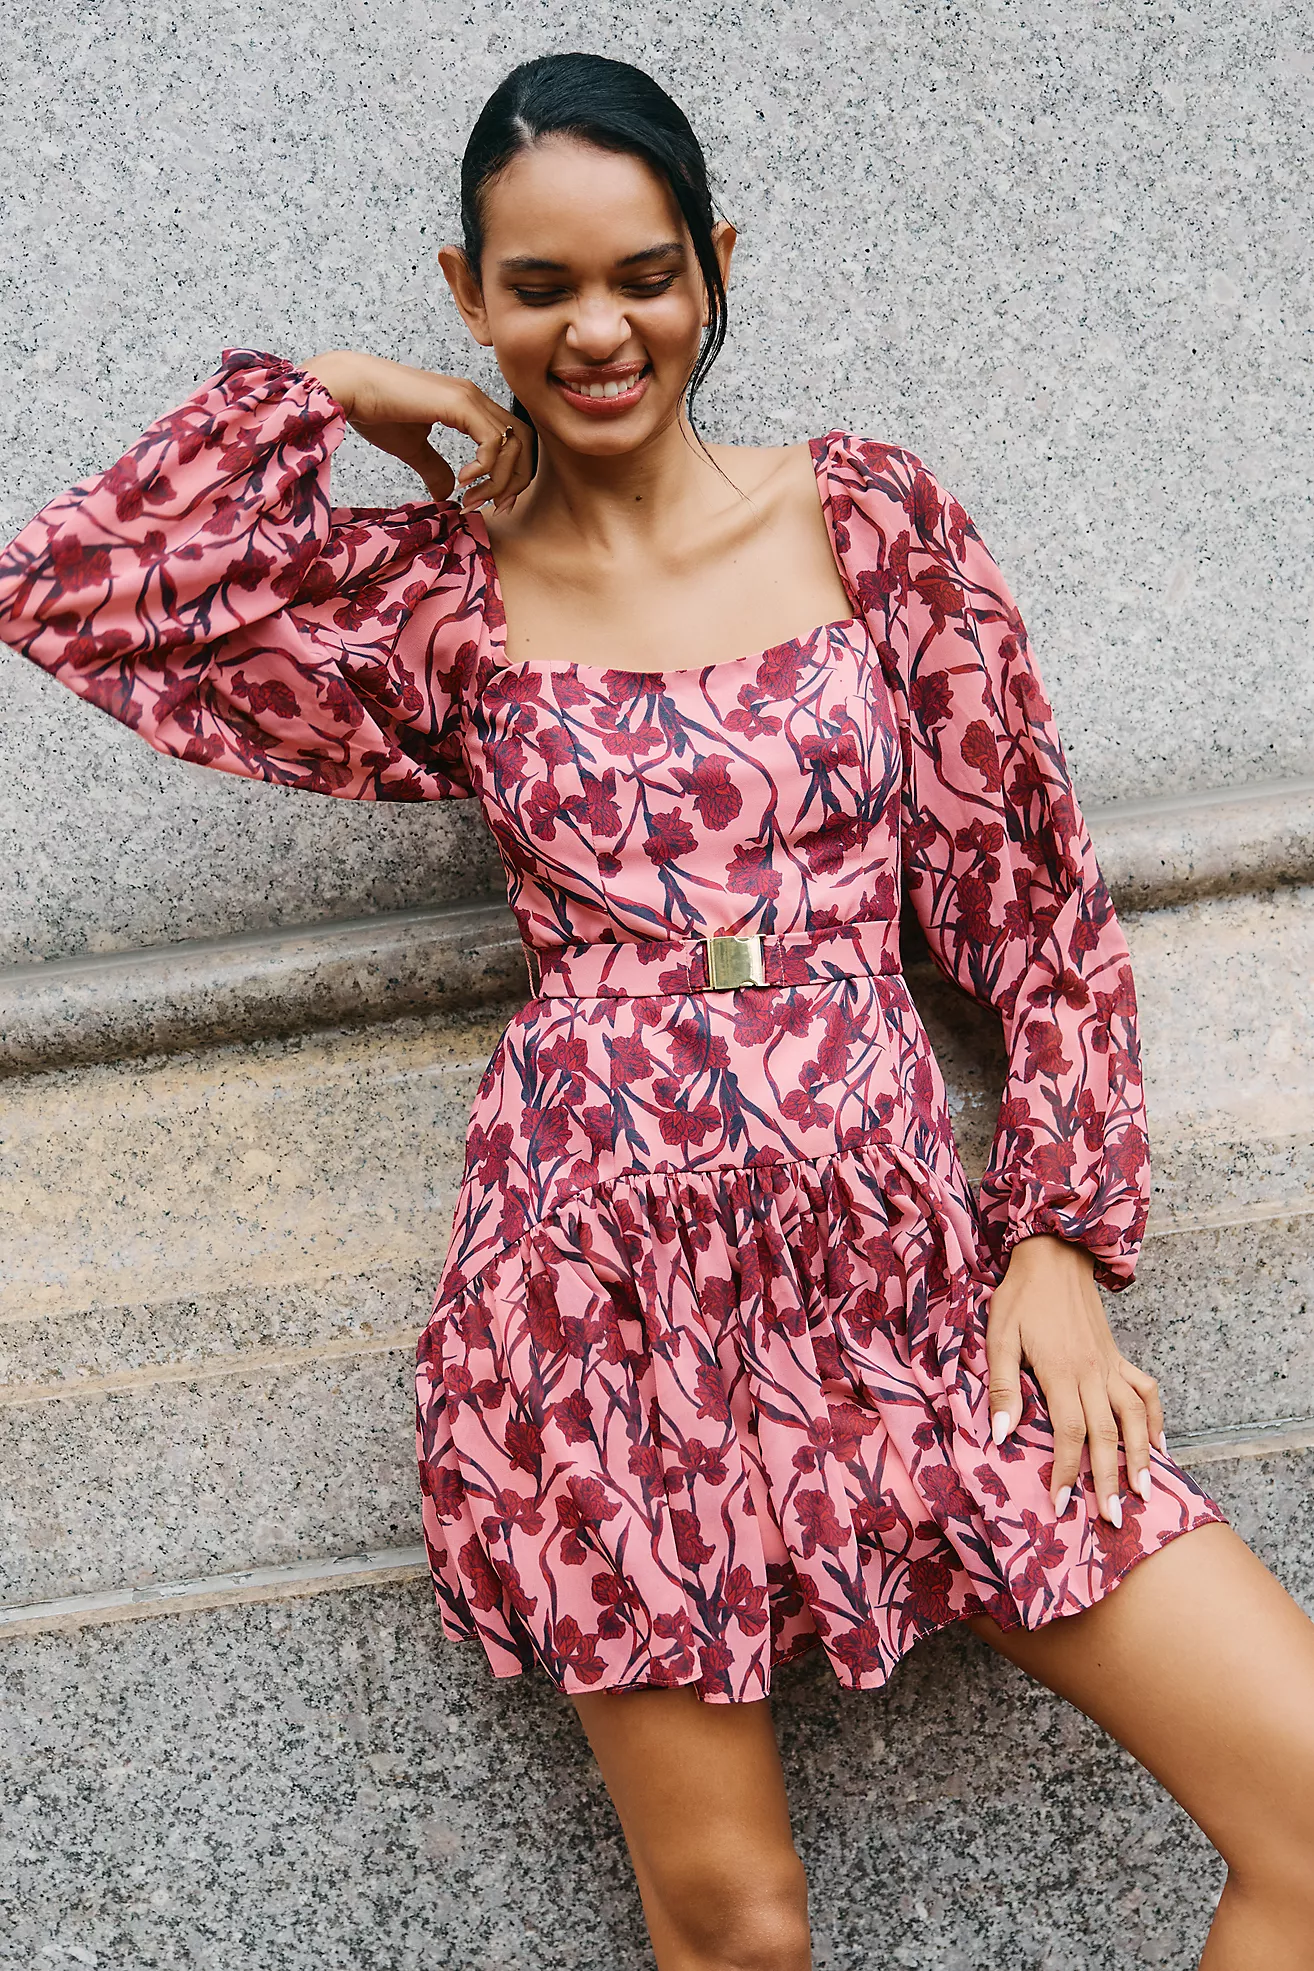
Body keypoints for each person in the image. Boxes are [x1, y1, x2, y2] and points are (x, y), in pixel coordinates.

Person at [2, 47, 1311, 1971]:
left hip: (896, 1287)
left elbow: (1030, 894)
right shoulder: (446, 601)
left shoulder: (865, 519)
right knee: (734, 1926)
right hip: (599, 1308)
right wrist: (333, 391)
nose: (598, 330)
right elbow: (75, 587)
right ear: (470, 296)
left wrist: (1054, 1238)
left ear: (714, 264)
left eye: (643, 274)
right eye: (538, 288)